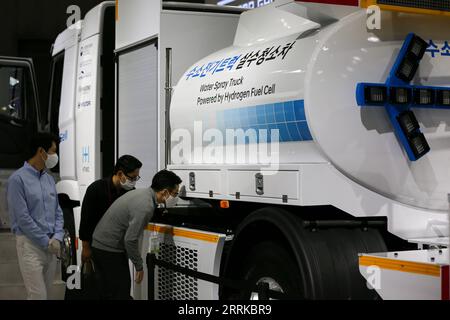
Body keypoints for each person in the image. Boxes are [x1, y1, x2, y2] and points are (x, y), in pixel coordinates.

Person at [91, 169, 182, 299]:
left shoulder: (143, 193)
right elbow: (130, 239)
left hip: (101, 245)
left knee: (108, 293)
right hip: (109, 250)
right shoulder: (146, 206)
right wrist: (139, 266)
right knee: (120, 293)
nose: (176, 197)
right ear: (165, 192)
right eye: (175, 193)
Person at [6, 132, 64, 300]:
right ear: (41, 151)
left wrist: (58, 237)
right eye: (52, 151)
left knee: (44, 294)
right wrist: (46, 242)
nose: (55, 155)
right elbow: (23, 218)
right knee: (38, 295)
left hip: (51, 244)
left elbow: (58, 212)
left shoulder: (49, 179)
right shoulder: (17, 180)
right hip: (30, 244)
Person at [79, 155, 142, 264]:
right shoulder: (96, 189)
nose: (134, 182)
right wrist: (85, 248)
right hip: (97, 247)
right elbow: (86, 221)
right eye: (132, 178)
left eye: (136, 178)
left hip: (119, 248)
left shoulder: (131, 192)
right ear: (120, 174)